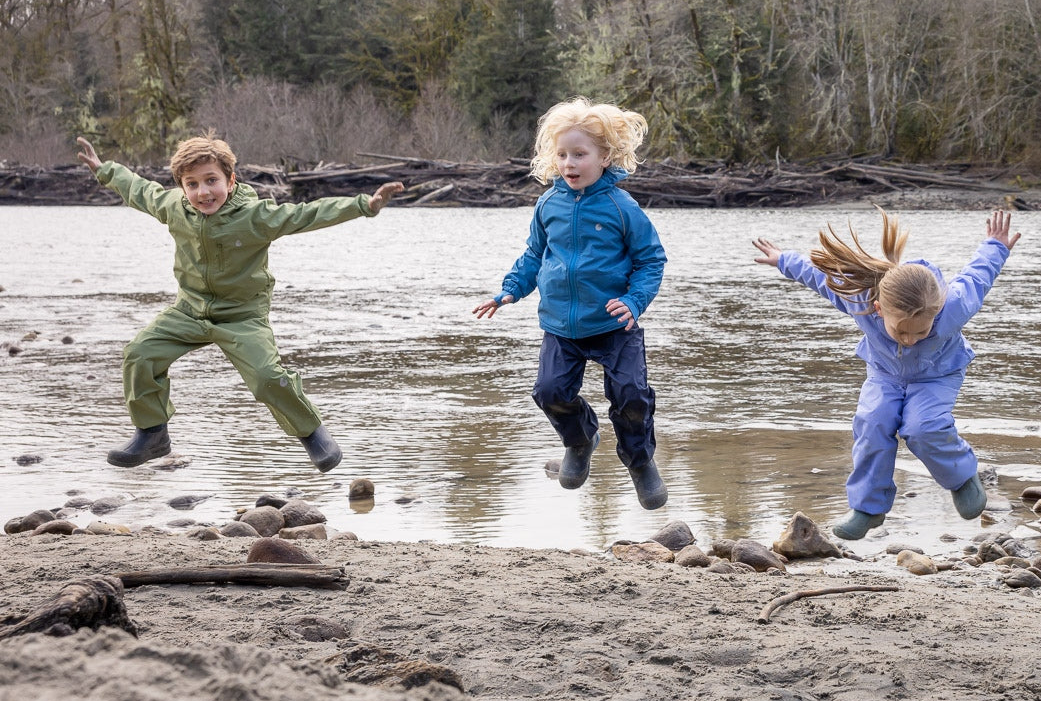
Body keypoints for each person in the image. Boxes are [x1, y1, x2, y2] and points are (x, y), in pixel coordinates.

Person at [75, 134, 403, 472]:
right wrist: (105, 170)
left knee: (266, 377)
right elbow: (140, 190)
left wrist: (366, 205)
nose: (203, 192)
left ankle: (312, 432)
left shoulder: (255, 216)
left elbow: (307, 214)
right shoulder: (174, 207)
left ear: (230, 181)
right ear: (181, 187)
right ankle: (152, 433)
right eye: (192, 184)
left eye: (211, 181)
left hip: (242, 316)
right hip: (189, 311)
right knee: (139, 353)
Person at [754, 209, 1019, 540]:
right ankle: (868, 507)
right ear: (879, 309)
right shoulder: (861, 300)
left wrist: (996, 245)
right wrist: (782, 259)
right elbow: (819, 277)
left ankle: (962, 478)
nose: (910, 341)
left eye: (920, 334)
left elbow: (977, 276)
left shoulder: (952, 307)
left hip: (937, 376)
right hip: (884, 375)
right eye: (901, 333)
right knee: (872, 423)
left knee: (923, 429)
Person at [474, 99, 669, 510]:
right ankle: (580, 441)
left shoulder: (621, 207)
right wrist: (510, 289)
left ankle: (640, 462)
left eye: (579, 154)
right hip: (562, 326)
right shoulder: (549, 204)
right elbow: (533, 256)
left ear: (605, 157)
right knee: (549, 391)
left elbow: (651, 260)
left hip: (616, 324)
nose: (569, 163)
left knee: (631, 395)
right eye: (562, 154)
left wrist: (634, 301)